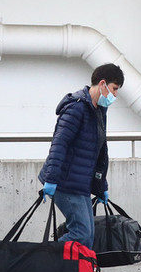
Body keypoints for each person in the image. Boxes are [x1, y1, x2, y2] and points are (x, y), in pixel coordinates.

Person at [38, 63, 120, 253]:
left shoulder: (99, 110)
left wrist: (101, 187)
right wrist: (51, 179)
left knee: (87, 236)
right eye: (114, 89)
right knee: (81, 234)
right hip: (64, 182)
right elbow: (60, 144)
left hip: (80, 184)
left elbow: (100, 151)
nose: (115, 95)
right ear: (102, 84)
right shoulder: (76, 108)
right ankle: (42, 258)